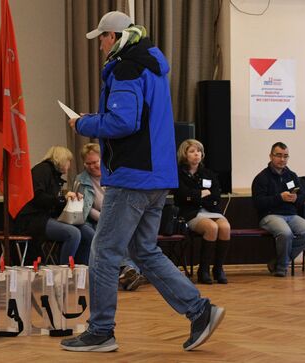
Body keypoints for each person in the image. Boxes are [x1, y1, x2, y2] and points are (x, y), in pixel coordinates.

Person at [60, 11, 225, 352]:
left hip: (132, 177)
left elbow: (123, 121)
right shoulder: (151, 66)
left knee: (104, 251)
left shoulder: (126, 67)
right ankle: (199, 310)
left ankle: (101, 331)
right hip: (157, 177)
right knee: (143, 250)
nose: (100, 45)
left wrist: (84, 124)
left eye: (103, 38)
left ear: (115, 37)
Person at [76, 143, 145, 290]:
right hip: (95, 221)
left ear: (102, 159)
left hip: (120, 217)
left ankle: (128, 273)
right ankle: (130, 271)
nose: (92, 166)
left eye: (95, 162)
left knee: (130, 234)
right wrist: (105, 219)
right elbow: (85, 209)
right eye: (88, 163)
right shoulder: (82, 180)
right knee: (116, 234)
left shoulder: (115, 174)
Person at [13, 146, 94, 265]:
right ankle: (66, 271)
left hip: (48, 217)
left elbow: (55, 201)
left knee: (88, 232)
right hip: (33, 219)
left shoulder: (54, 176)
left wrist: (71, 199)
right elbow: (38, 197)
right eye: (68, 161)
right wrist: (62, 198)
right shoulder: (42, 170)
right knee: (73, 233)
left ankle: (84, 267)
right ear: (62, 159)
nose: (69, 165)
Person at [251, 142, 305, 277]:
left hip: (291, 215)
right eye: (278, 155)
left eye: (285, 156)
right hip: (269, 216)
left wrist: (295, 198)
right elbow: (258, 202)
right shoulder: (261, 178)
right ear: (271, 156)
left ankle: (279, 262)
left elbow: (303, 197)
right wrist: (279, 198)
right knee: (286, 233)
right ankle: (282, 267)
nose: (282, 159)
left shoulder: (292, 175)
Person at [174, 139, 231, 284]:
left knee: (225, 227)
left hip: (211, 210)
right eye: (192, 151)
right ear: (184, 154)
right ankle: (203, 270)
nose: (196, 154)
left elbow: (215, 197)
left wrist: (196, 196)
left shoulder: (208, 173)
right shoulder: (178, 174)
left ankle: (218, 268)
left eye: (198, 151)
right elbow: (182, 195)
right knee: (211, 227)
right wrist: (199, 195)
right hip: (190, 212)